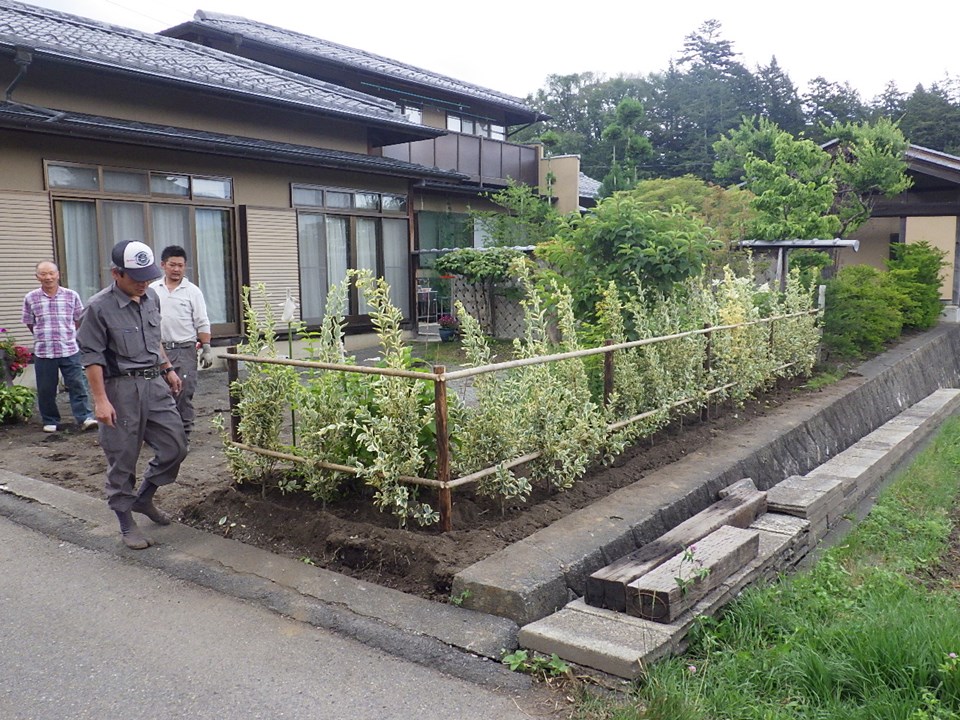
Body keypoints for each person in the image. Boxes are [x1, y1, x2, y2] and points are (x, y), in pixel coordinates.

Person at [78, 240, 188, 550]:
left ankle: (144, 498)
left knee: (175, 446)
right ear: (116, 273)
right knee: (122, 456)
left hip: (154, 384)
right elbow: (92, 358)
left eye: (148, 276)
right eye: (137, 277)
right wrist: (100, 400)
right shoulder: (98, 307)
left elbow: (154, 340)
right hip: (120, 389)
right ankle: (126, 522)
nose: (144, 283)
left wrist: (168, 368)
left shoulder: (150, 296)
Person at [21, 261, 97, 433]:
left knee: (78, 384)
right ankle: (50, 420)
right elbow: (30, 323)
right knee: (46, 388)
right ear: (37, 277)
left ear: (58, 274)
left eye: (51, 273)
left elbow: (79, 320)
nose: (48, 277)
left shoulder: (71, 295)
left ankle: (85, 417)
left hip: (69, 348)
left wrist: (67, 335)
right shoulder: (30, 298)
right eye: (43, 274)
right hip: (44, 351)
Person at [149, 245, 213, 441]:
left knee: (183, 393)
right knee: (159, 393)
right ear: (163, 265)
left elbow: (201, 320)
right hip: (158, 349)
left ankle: (183, 435)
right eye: (172, 265)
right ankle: (163, 436)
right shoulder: (152, 290)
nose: (176, 269)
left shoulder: (192, 291)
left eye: (180, 265)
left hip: (184, 349)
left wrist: (207, 348)